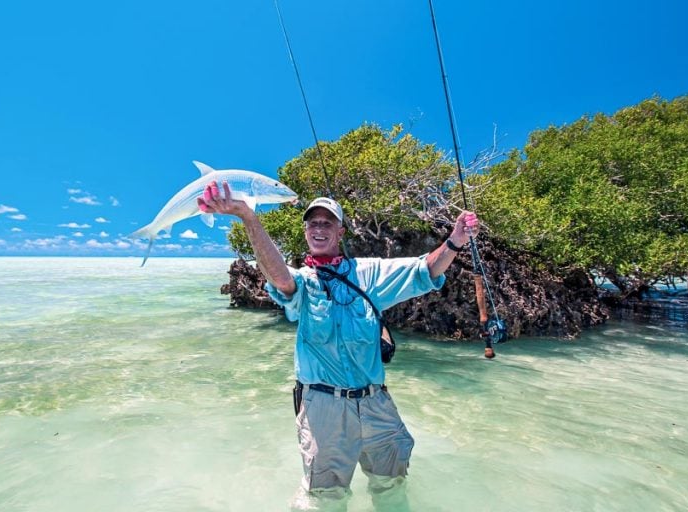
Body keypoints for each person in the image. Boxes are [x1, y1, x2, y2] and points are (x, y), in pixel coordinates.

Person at [198, 182, 479, 510]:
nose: (319, 228)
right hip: (323, 407)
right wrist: (249, 217)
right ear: (305, 232)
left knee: (392, 483)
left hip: (376, 404)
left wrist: (456, 240)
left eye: (327, 222)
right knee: (326, 498)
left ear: (341, 231)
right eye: (313, 223)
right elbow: (280, 279)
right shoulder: (302, 281)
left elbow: (424, 270)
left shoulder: (370, 274)